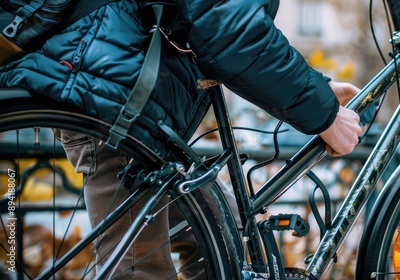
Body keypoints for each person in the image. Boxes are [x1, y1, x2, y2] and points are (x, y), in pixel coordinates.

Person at [0, 0, 365, 278]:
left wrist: (320, 90)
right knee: (142, 269)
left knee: (220, 236)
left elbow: (227, 25)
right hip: (114, 90)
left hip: (123, 80)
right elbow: (224, 26)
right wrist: (324, 114)